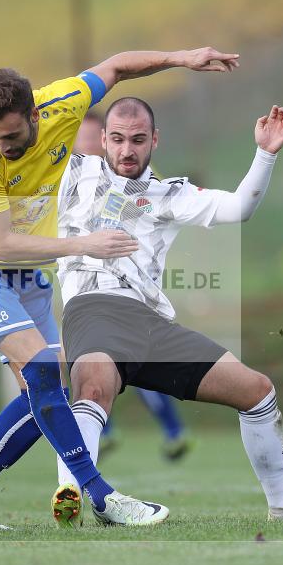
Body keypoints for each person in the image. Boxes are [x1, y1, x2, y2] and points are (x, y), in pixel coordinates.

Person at [0, 47, 241, 529]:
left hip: (18, 264)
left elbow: (117, 66)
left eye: (11, 135)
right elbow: (1, 245)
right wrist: (86, 245)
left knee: (44, 388)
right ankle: (101, 496)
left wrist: (181, 58)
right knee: (47, 374)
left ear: (35, 114)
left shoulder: (63, 102)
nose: (4, 147)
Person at [54, 97, 283, 522]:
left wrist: (265, 154)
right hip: (93, 308)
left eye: (138, 140)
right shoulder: (70, 172)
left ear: (155, 141)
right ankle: (69, 494)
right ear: (103, 139)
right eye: (119, 139)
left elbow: (240, 208)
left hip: (149, 324)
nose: (127, 150)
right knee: (91, 390)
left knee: (257, 392)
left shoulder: (169, 195)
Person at [73, 110, 193, 461]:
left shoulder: (133, 183)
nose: (88, 145)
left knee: (130, 368)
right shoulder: (72, 180)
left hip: (128, 293)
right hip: (84, 291)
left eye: (93, 137)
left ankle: (169, 433)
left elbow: (143, 219)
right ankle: (107, 433)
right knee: (86, 365)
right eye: (81, 138)